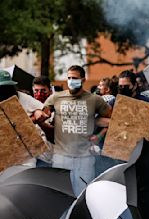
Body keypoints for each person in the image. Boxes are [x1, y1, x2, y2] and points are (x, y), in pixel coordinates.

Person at [34, 65, 112, 196]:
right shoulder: (56, 98)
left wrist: (99, 135)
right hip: (61, 157)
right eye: (69, 78)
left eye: (74, 78)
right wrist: (40, 115)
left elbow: (114, 120)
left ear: (83, 79)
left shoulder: (95, 100)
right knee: (61, 198)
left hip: (85, 158)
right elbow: (44, 113)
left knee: (83, 197)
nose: (71, 81)